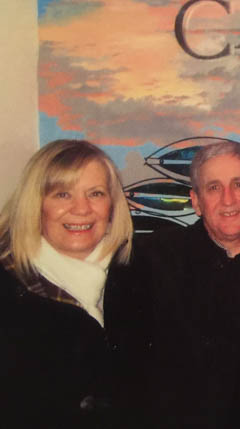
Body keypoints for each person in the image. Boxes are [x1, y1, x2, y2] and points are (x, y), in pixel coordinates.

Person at [131, 140, 240, 428]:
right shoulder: (153, 260)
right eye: (213, 188)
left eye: (239, 185)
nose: (228, 199)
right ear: (195, 201)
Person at [0, 140, 135, 429]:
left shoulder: (138, 279)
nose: (81, 209)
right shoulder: (8, 289)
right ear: (35, 205)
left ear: (112, 206)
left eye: (96, 194)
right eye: (62, 194)